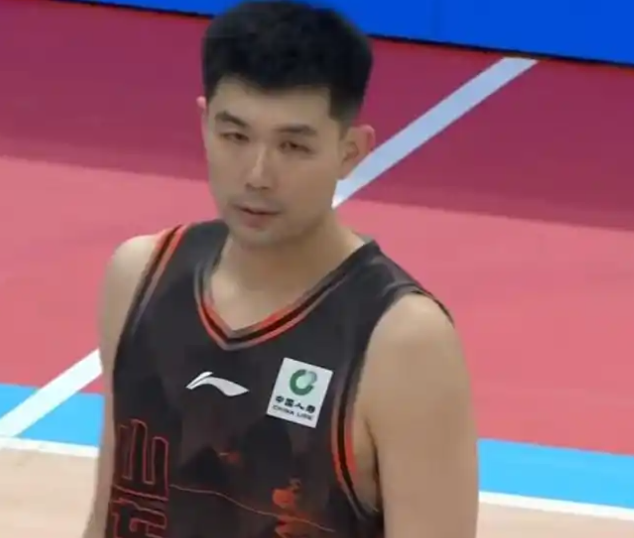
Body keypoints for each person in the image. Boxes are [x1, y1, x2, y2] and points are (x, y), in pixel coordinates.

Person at [82, 1, 478, 537]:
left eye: (293, 145)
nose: (258, 174)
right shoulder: (139, 277)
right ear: (204, 124)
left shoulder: (401, 341)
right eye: (236, 136)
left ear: (350, 151)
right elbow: (111, 509)